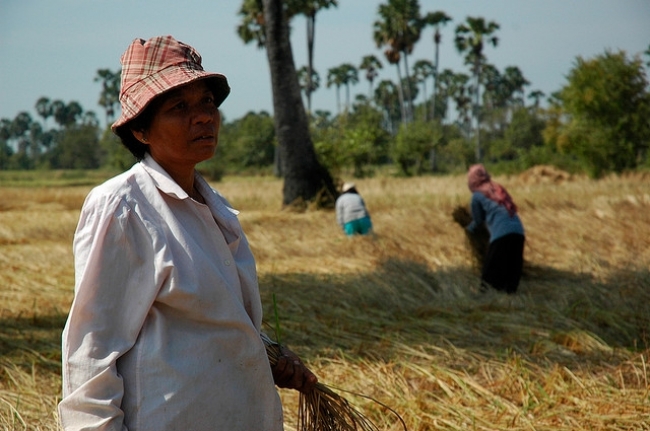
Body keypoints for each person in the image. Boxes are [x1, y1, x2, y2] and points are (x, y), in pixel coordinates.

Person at [58, 35, 317, 431]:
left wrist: (268, 355)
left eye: (207, 103)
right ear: (140, 130)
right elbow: (91, 351)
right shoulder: (124, 206)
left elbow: (211, 322)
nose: (203, 117)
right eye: (180, 107)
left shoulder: (214, 209)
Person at [465, 164, 525, 294]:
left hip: (501, 234)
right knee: (512, 268)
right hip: (518, 231)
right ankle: (510, 298)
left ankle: (484, 297)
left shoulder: (477, 196)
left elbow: (478, 220)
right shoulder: (498, 188)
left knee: (490, 271)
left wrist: (469, 229)